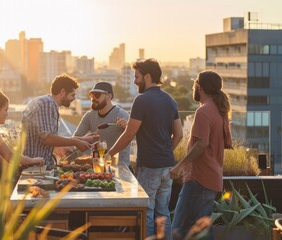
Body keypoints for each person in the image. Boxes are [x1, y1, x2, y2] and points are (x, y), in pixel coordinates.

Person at [106, 58, 183, 238]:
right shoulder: (170, 100)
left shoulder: (141, 100)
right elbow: (178, 134)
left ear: (147, 76)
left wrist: (108, 154)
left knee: (147, 211)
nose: (135, 81)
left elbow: (128, 135)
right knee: (163, 212)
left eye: (137, 76)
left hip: (149, 167)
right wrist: (166, 152)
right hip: (167, 166)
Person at [170, 70, 232, 240]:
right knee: (202, 230)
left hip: (199, 179)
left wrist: (180, 165)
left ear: (199, 86)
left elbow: (202, 144)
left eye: (196, 83)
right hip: (211, 178)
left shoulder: (204, 111)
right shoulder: (220, 110)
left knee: (178, 230)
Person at [21, 74, 97, 166]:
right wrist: (76, 142)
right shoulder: (47, 104)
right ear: (62, 92)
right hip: (35, 168)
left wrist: (83, 139)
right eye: (72, 95)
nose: (73, 99)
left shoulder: (48, 104)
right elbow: (47, 139)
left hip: (39, 166)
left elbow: (45, 139)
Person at [73, 81, 130, 166]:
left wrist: (127, 127)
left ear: (109, 96)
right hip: (96, 166)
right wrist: (86, 139)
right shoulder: (90, 115)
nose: (93, 99)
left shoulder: (122, 115)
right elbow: (75, 139)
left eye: (97, 95)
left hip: (119, 167)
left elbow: (134, 137)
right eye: (92, 95)